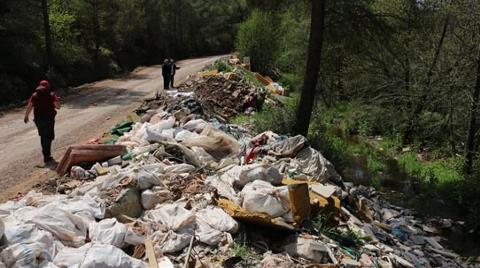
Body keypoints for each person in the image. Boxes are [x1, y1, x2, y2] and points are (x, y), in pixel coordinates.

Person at [24, 80, 61, 165]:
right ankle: (47, 155)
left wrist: (26, 116)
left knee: (43, 136)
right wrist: (58, 101)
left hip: (38, 119)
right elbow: (58, 107)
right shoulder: (51, 95)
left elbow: (29, 106)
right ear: (47, 86)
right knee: (50, 136)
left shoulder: (34, 95)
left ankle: (46, 155)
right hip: (49, 118)